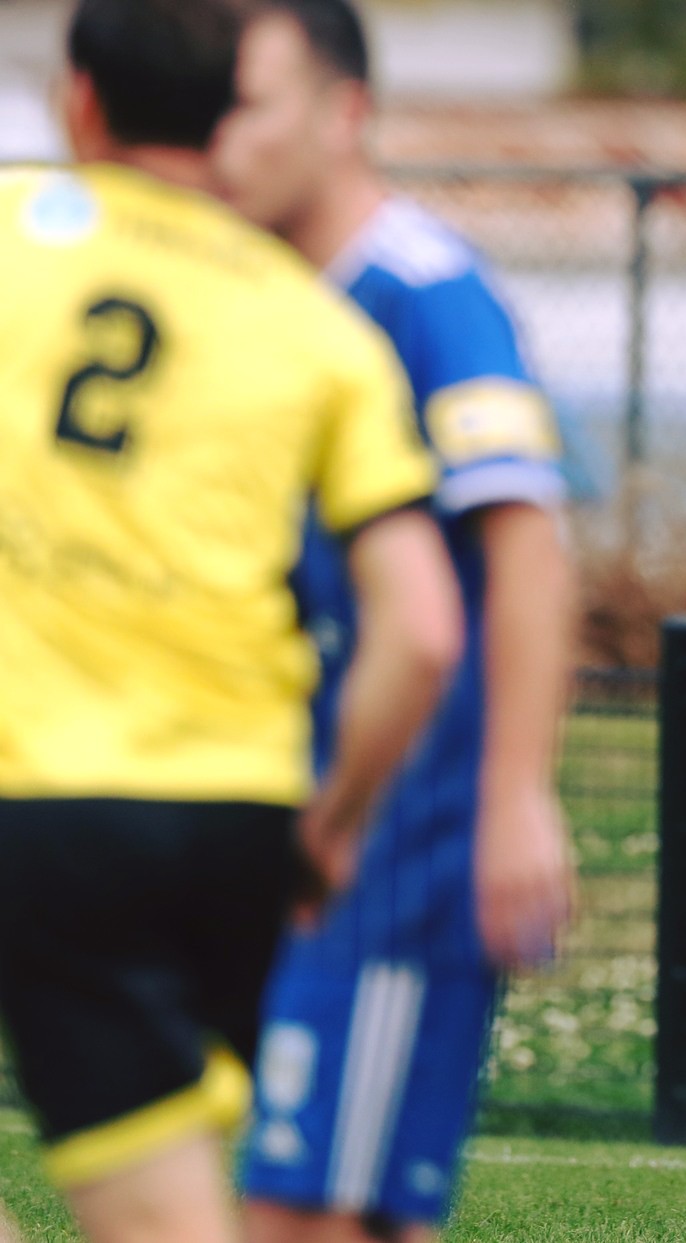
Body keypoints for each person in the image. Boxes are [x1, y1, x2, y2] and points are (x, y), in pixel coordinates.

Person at [0, 0, 463, 1239]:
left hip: (51, 801)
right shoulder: (318, 321)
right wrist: (332, 823)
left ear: (78, 102)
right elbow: (418, 630)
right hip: (245, 812)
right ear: (227, 116)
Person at [211, 2, 579, 1238]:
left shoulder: (423, 294)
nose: (224, 138)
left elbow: (528, 545)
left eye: (251, 103)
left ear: (342, 111)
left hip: (402, 853)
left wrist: (514, 794)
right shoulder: (274, 299)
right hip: (310, 832)